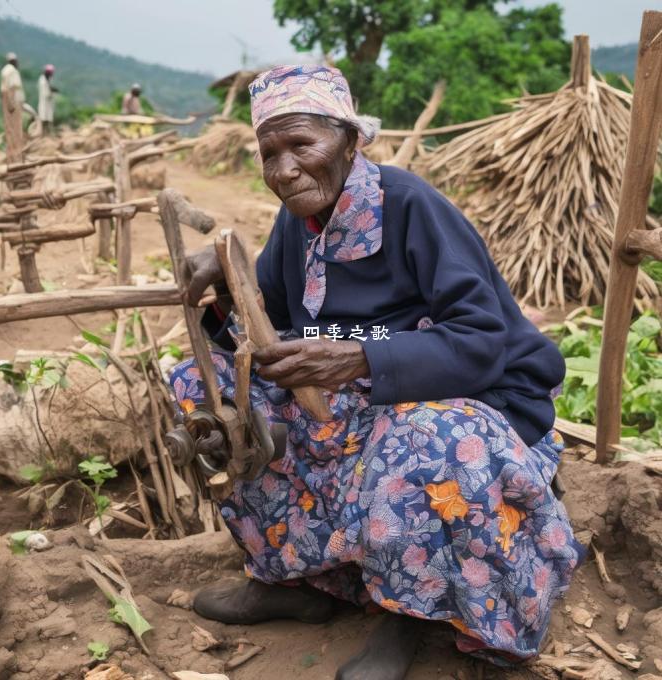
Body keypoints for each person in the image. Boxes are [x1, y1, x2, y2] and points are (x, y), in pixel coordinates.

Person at [172, 65, 584, 680]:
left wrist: (360, 358)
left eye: (301, 145)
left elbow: (482, 341)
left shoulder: (411, 205)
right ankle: (298, 577)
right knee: (206, 391)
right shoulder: (297, 224)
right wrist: (226, 292)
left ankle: (410, 614)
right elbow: (272, 326)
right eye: (270, 153)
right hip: (355, 395)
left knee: (417, 439)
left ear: (349, 139)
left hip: (473, 391)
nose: (284, 169)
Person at [37, 64, 58, 135]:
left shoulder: (48, 80)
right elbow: (45, 94)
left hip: (48, 103)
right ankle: (43, 134)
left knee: (48, 118)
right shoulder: (42, 80)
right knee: (44, 119)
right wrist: (52, 91)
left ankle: (48, 134)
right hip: (44, 103)